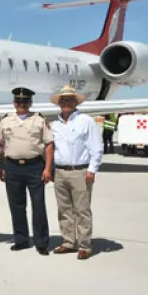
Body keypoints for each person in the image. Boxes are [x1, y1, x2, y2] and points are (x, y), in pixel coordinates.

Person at [0, 87, 54, 255]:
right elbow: (0, 145)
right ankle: (21, 239)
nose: (22, 105)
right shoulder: (6, 120)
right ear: (14, 103)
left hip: (35, 167)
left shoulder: (39, 120)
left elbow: (49, 144)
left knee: (38, 206)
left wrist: (48, 168)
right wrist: (2, 167)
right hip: (12, 167)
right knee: (16, 206)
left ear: (30, 103)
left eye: (25, 102)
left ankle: (41, 242)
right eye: (19, 101)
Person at [49, 85, 103, 260]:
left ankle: (85, 245)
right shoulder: (53, 124)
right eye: (63, 100)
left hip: (80, 171)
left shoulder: (86, 121)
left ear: (75, 102)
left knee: (82, 210)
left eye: (69, 99)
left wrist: (92, 170)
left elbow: (97, 148)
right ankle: (68, 242)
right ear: (59, 103)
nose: (66, 103)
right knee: (64, 209)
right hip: (60, 172)